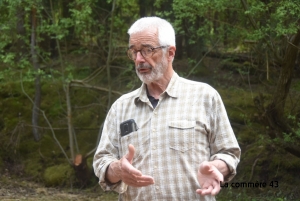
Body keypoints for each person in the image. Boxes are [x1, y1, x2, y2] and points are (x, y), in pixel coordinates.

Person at [93, 16, 241, 201]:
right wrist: (117, 169)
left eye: (147, 50)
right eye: (134, 52)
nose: (139, 59)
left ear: (170, 53)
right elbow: (101, 161)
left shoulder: (205, 96)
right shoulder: (120, 108)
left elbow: (229, 153)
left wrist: (215, 167)